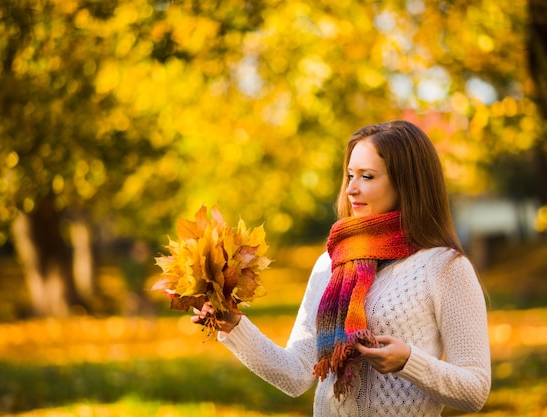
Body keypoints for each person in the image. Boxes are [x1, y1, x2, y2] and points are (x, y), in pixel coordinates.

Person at [192, 120, 491, 416]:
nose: (351, 189)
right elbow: (297, 374)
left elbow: (475, 391)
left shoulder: (444, 267)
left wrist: (408, 361)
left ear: (407, 183)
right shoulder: (331, 263)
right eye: (350, 175)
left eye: (367, 177)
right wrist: (234, 325)